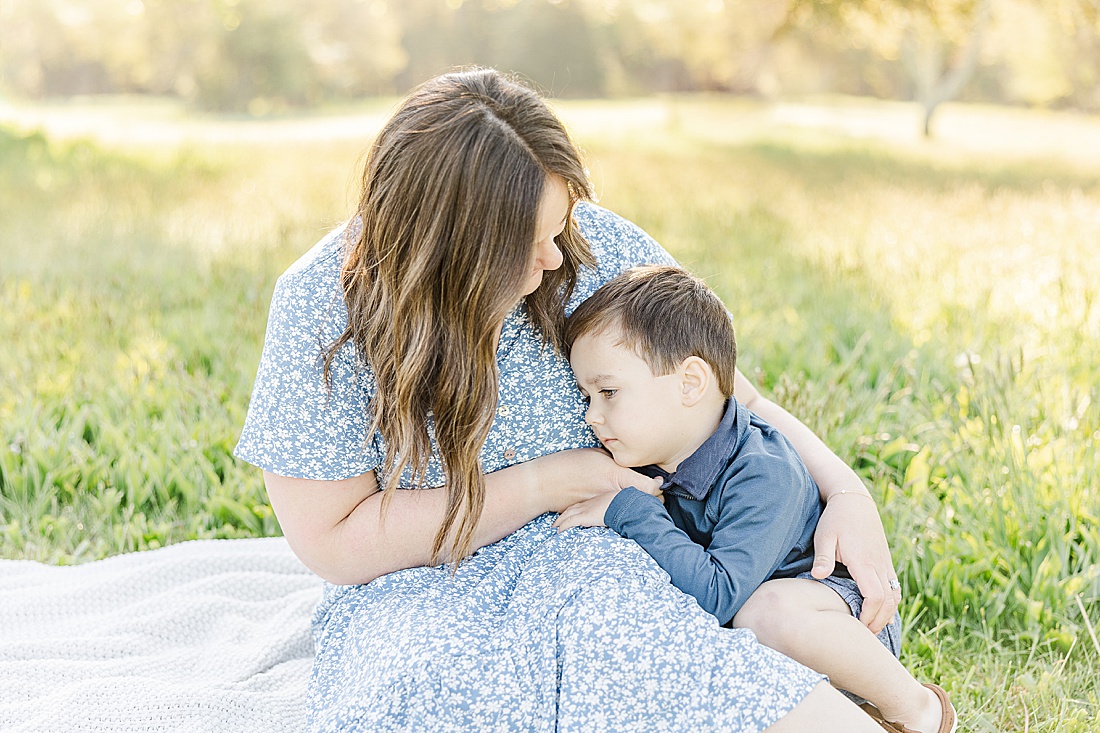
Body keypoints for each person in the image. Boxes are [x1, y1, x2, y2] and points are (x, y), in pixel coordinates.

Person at [234, 67, 901, 731]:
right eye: (529, 245)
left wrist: (846, 492)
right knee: (428, 688)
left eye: (558, 228)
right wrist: (544, 483)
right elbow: (334, 538)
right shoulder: (321, 309)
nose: (555, 259)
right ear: (455, 254)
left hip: (602, 553)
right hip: (423, 578)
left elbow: (730, 400)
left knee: (648, 650)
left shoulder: (595, 250)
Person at [555, 265, 956, 733]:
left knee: (765, 612)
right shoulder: (659, 452)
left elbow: (720, 596)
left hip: (835, 620)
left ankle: (918, 710)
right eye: (586, 395)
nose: (591, 416)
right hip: (756, 632)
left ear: (690, 383)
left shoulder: (764, 474)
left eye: (607, 392)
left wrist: (629, 509)